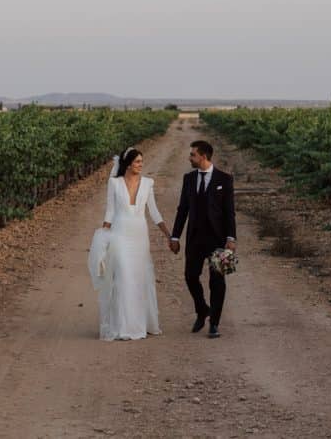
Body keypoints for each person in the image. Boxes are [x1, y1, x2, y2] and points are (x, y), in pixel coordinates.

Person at [90, 147, 172, 341]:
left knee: (139, 279)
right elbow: (109, 212)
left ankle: (140, 323)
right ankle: (123, 326)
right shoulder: (114, 183)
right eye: (137, 162)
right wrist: (103, 240)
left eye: (142, 162)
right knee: (123, 278)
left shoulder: (148, 184)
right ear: (127, 164)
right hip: (119, 234)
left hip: (139, 237)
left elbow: (154, 212)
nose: (140, 165)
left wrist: (169, 235)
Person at [168, 140, 236, 338]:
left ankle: (214, 323)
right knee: (190, 276)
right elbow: (183, 210)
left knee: (217, 281)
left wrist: (231, 238)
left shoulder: (225, 179)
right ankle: (202, 308)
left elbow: (229, 212)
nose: (189, 158)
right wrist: (175, 236)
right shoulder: (188, 179)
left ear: (204, 156)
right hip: (195, 238)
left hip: (218, 240)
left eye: (193, 155)